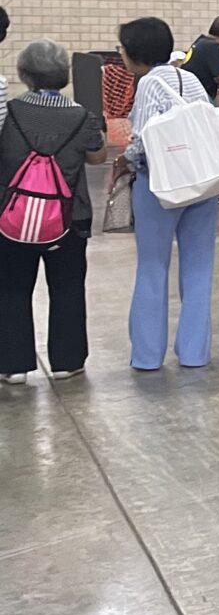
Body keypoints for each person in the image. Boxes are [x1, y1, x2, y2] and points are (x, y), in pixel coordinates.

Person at [116, 17, 219, 372]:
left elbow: (143, 139)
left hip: (159, 185)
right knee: (198, 267)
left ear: (134, 53)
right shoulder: (188, 78)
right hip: (203, 183)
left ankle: (147, 355)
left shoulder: (148, 84)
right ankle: (195, 353)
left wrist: (123, 162)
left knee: (152, 266)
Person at [0, 40, 109, 383]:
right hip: (69, 218)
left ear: (25, 74)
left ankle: (11, 364)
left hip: (12, 216)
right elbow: (97, 157)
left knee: (12, 288)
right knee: (67, 287)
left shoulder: (10, 113)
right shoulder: (81, 116)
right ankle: (68, 360)